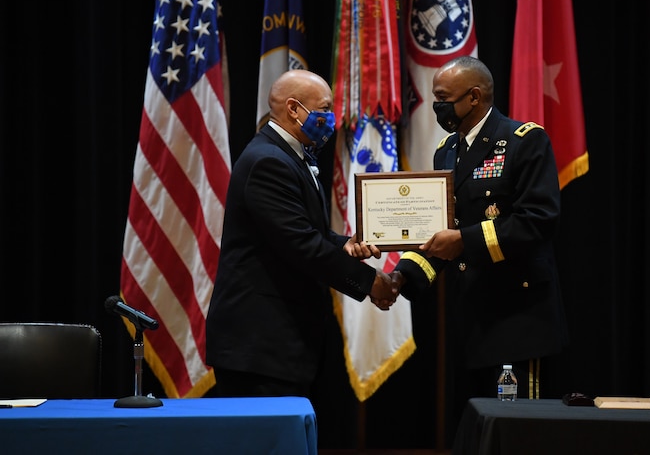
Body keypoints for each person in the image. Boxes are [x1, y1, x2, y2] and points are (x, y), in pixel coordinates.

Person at [393, 55, 569, 444]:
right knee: (475, 434)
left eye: (442, 98)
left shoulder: (525, 141)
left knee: (518, 432)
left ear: (473, 97)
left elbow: (538, 221)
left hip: (518, 318)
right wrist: (400, 277)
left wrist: (465, 241)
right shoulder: (446, 151)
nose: (435, 105)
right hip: (469, 318)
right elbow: (440, 230)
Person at [205, 69, 400, 400]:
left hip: (277, 344)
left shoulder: (287, 156)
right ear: (293, 109)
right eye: (324, 109)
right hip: (259, 346)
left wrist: (345, 245)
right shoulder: (268, 161)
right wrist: (371, 283)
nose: (330, 118)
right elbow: (302, 246)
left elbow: (310, 233)